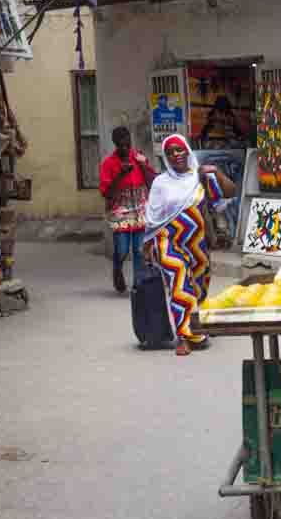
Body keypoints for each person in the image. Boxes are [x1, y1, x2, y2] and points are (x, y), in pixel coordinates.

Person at [145, 134, 237, 356]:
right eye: (170, 152)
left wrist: (216, 173)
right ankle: (185, 336)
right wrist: (147, 245)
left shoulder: (200, 177)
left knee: (198, 286)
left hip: (197, 242)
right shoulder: (160, 183)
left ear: (187, 151)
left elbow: (228, 194)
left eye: (179, 150)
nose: (176, 155)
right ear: (166, 157)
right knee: (179, 284)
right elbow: (152, 216)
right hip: (167, 240)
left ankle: (197, 323)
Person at [99, 127, 156, 293]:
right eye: (121, 146)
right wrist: (120, 174)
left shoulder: (137, 157)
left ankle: (138, 284)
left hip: (140, 208)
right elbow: (107, 193)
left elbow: (151, 182)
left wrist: (142, 164)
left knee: (139, 250)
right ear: (115, 144)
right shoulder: (109, 163)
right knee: (122, 250)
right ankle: (117, 269)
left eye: (127, 144)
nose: (125, 148)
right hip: (120, 209)